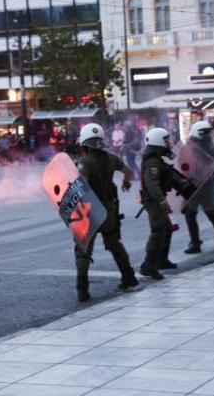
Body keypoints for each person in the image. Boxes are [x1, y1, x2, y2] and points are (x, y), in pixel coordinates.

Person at [74, 123, 139, 302]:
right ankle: (129, 277)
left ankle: (82, 289)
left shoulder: (84, 162)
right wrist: (126, 182)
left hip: (90, 212)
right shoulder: (112, 159)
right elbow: (128, 172)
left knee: (83, 250)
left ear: (85, 143)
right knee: (115, 245)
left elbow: (81, 185)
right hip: (109, 211)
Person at [139, 127, 193, 280]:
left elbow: (169, 174)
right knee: (158, 230)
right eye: (166, 141)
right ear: (158, 142)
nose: (168, 143)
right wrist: (162, 201)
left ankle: (162, 260)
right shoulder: (152, 163)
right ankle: (148, 266)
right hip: (154, 201)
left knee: (167, 228)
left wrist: (183, 182)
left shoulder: (158, 160)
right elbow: (152, 184)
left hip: (158, 199)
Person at [183, 121, 214, 254]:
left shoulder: (207, 147)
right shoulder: (198, 146)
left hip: (201, 186)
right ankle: (200, 242)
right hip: (196, 185)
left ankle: (199, 242)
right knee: (193, 213)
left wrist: (212, 181)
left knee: (206, 213)